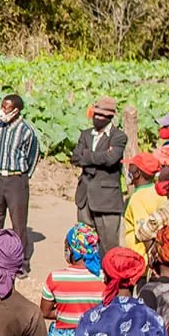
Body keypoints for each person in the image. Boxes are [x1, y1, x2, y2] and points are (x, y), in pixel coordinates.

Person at [0, 93, 40, 276]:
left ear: (16, 111)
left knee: (18, 222)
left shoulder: (27, 131)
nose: (3, 111)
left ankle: (21, 262)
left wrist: (23, 176)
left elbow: (34, 155)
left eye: (6, 108)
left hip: (16, 179)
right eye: (2, 106)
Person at [72, 97, 126, 252]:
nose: (98, 118)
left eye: (102, 116)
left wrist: (87, 155)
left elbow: (111, 159)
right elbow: (75, 158)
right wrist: (99, 156)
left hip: (106, 198)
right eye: (96, 114)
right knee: (84, 241)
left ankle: (109, 274)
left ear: (110, 117)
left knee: (108, 244)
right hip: (84, 196)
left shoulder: (118, 136)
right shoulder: (86, 134)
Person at [119, 153, 168, 257]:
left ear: (137, 173)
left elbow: (143, 233)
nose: (127, 172)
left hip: (140, 256)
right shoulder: (158, 192)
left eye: (130, 169)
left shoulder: (137, 199)